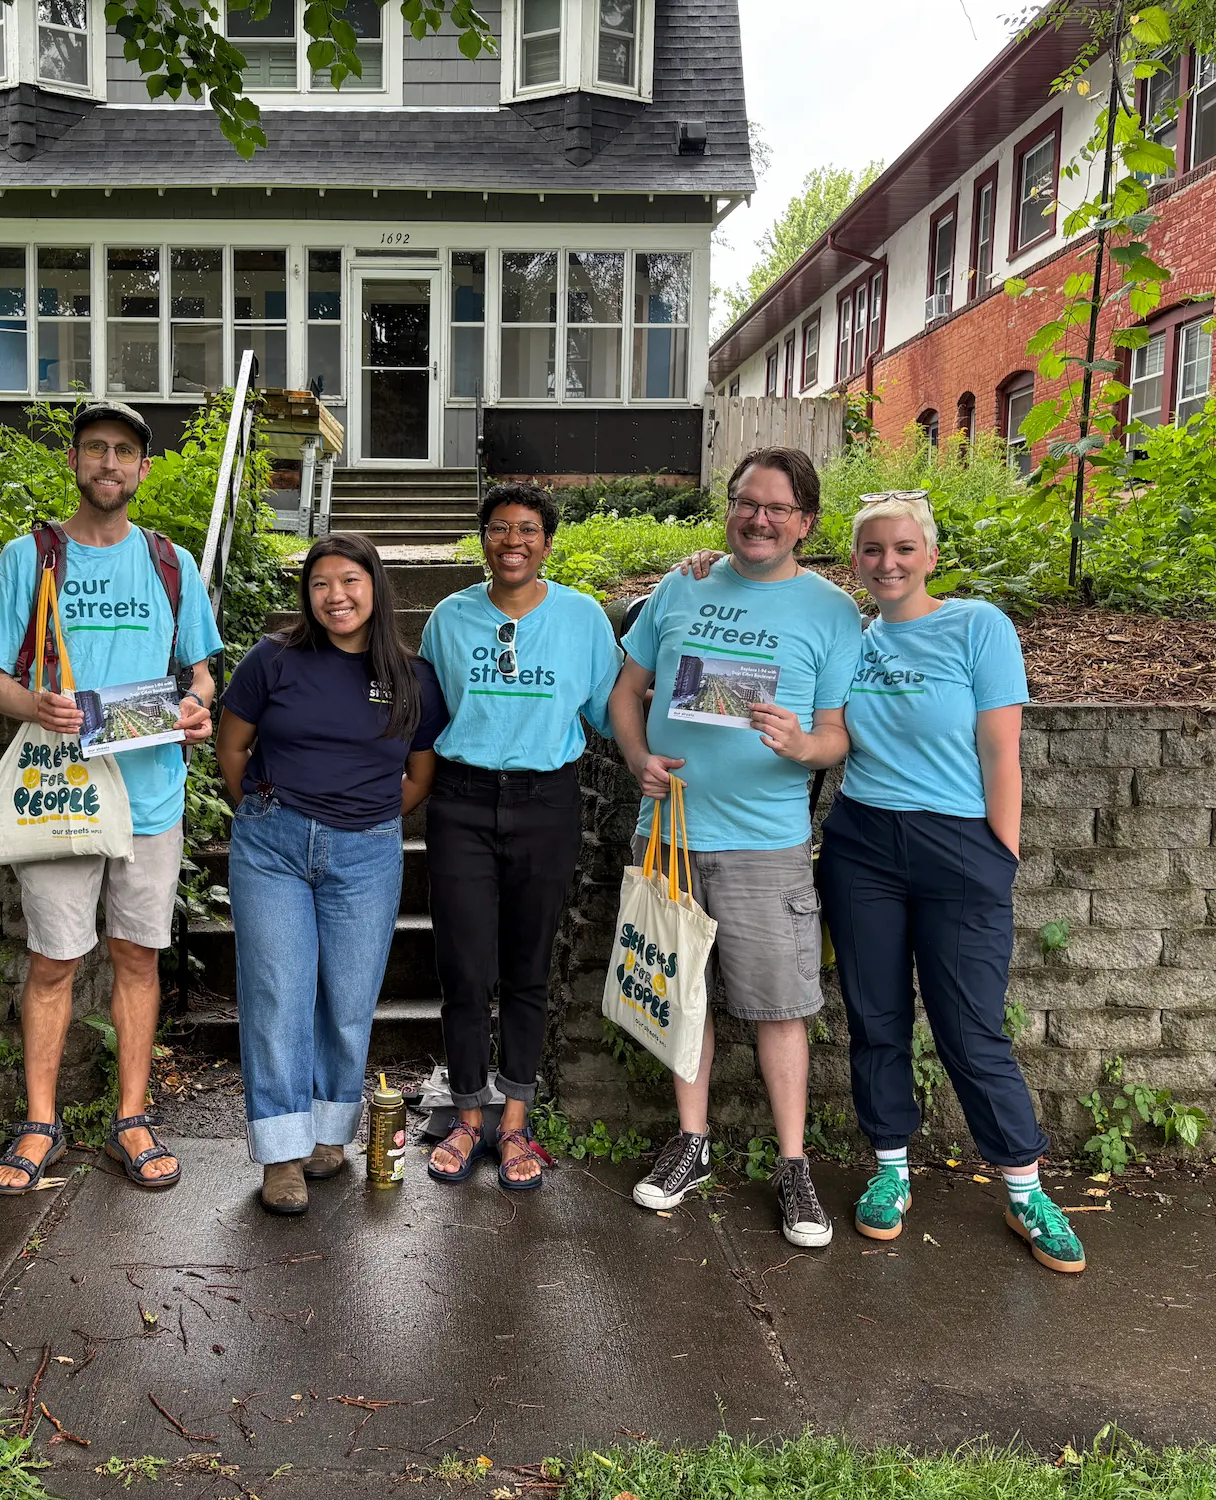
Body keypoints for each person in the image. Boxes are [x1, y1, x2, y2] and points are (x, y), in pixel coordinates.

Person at [816, 491, 1084, 1273]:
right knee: (875, 1015)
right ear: (856, 560)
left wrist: (1001, 854)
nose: (888, 562)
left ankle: (1024, 1186)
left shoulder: (977, 626)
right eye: (872, 550)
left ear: (930, 555)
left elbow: (1003, 753)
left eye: (904, 548)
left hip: (960, 844)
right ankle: (890, 1172)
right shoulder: (849, 639)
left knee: (971, 1027)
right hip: (863, 841)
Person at [606, 446, 860, 1244]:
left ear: (805, 524)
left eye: (777, 509)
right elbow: (626, 691)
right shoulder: (683, 584)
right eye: (748, 502)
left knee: (781, 1009)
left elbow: (838, 739)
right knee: (683, 994)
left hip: (766, 841)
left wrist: (801, 747)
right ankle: (692, 1141)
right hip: (669, 832)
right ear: (730, 509)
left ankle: (794, 1167)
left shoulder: (832, 612)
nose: (758, 518)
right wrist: (636, 757)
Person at [0, 401, 221, 1196]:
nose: (109, 463)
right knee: (54, 961)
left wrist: (193, 708)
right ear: (76, 463)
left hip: (150, 796)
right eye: (95, 449)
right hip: (61, 796)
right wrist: (32, 705)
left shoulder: (171, 562)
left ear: (143, 470)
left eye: (123, 452)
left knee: (136, 957)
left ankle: (132, 1118)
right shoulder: (30, 557)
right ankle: (40, 1124)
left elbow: (199, 673)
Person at [217, 532, 448, 1215]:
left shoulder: (412, 678)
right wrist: (262, 813)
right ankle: (282, 1155)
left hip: (366, 853)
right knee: (278, 996)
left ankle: (329, 1134)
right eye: (320, 584)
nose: (335, 596)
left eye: (349, 581)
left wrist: (366, 819)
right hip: (274, 847)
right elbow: (232, 746)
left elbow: (420, 776)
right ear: (306, 594)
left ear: (375, 587)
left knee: (347, 1001)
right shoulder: (273, 660)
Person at [417, 483, 622, 1191]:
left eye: (528, 530)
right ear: (482, 539)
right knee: (466, 970)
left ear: (547, 542)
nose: (513, 541)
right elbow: (429, 712)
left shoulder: (582, 617)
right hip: (462, 802)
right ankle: (468, 1116)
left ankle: (515, 1123)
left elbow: (610, 706)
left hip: (546, 801)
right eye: (500, 529)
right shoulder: (448, 618)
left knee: (528, 968)